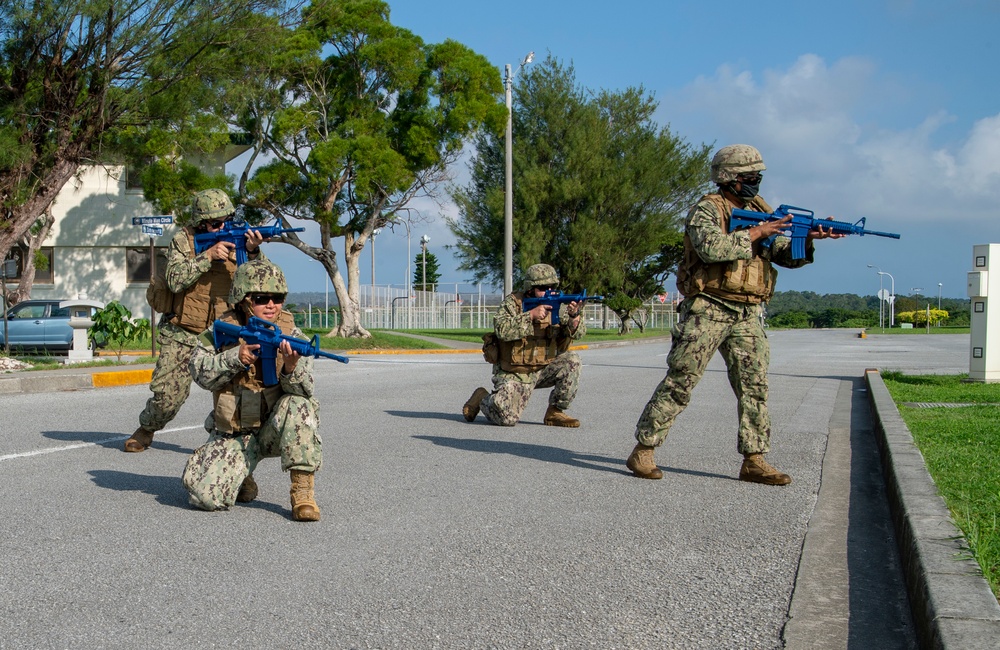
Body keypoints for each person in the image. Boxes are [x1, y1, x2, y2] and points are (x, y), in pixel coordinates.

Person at [625, 144, 843, 484]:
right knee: (681, 380)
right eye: (749, 176)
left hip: (748, 310)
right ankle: (644, 449)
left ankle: (754, 459)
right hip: (709, 306)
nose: (756, 181)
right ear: (728, 178)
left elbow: (784, 255)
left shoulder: (760, 208)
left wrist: (809, 238)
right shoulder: (708, 209)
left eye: (758, 175)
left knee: (754, 385)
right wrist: (757, 232)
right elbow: (710, 248)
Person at [181, 258, 323, 522]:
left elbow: (306, 389)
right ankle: (242, 472)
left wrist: (291, 368)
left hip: (272, 429)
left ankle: (302, 491)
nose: (271, 305)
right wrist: (235, 358)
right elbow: (199, 372)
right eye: (261, 297)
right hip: (233, 433)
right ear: (244, 299)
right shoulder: (222, 330)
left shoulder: (290, 332)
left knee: (300, 405)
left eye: (278, 297)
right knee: (203, 497)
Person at [124, 189, 263, 454]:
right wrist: (208, 256)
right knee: (166, 399)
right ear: (200, 222)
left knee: (235, 403)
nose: (222, 226)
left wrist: (253, 253)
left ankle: (235, 463)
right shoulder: (184, 241)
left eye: (226, 220)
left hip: (224, 334)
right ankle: (146, 429)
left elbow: (259, 283)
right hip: (183, 332)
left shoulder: (240, 242)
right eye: (214, 223)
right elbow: (175, 279)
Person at [463, 263, 586, 428]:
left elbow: (577, 334)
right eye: (543, 287)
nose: (548, 291)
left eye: (551, 286)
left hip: (542, 367)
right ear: (531, 288)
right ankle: (483, 398)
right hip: (515, 372)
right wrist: (530, 316)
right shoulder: (513, 304)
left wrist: (574, 317)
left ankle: (555, 411)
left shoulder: (558, 307)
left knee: (573, 360)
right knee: (506, 419)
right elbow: (501, 330)